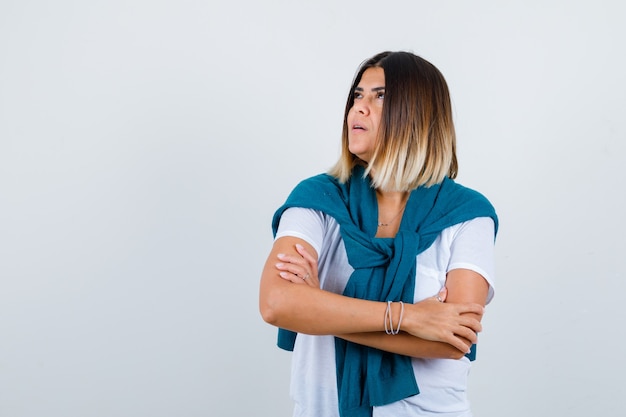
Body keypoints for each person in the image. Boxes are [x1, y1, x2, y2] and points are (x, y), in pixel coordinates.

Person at [259, 51, 498, 417]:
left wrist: (319, 307)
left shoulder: (467, 215)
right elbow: (277, 304)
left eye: (379, 95)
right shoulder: (317, 200)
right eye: (357, 95)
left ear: (418, 113)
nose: (359, 108)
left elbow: (454, 340)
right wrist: (411, 318)